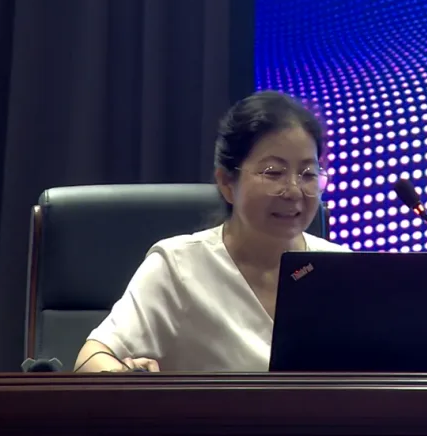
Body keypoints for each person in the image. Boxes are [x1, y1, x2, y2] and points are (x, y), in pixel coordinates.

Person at [74, 91, 349, 373]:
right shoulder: (179, 267)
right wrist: (129, 379)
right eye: (273, 172)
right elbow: (90, 358)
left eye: (308, 174)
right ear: (227, 183)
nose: (293, 191)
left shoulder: (345, 269)